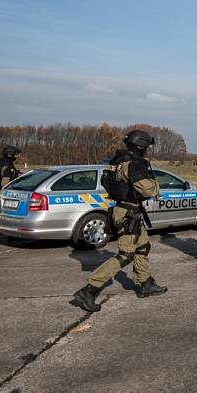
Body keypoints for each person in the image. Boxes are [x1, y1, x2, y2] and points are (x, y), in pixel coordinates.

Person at [73, 130, 167, 312]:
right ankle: (90, 290)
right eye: (146, 147)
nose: (147, 150)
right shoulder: (134, 163)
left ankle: (145, 283)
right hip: (128, 213)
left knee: (143, 246)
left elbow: (108, 183)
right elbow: (147, 190)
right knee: (125, 255)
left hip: (125, 210)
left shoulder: (116, 161)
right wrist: (156, 185)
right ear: (141, 146)